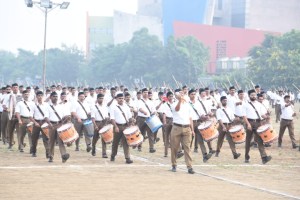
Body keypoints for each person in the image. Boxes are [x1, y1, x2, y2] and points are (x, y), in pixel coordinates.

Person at [243, 89, 272, 164]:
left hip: (258, 123)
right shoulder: (246, 104)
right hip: (249, 122)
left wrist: (266, 116)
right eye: (252, 95)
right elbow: (244, 116)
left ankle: (264, 157)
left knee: (260, 140)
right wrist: (248, 124)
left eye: (255, 95)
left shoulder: (259, 104)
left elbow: (262, 114)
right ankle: (246, 157)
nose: (254, 96)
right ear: (249, 96)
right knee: (248, 141)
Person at [170, 89, 195, 174]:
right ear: (176, 96)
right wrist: (180, 100)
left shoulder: (188, 105)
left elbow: (190, 118)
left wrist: (192, 129)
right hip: (177, 127)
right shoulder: (173, 104)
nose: (181, 94)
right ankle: (174, 164)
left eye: (182, 93)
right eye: (179, 93)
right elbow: (177, 109)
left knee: (187, 147)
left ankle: (189, 166)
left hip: (187, 128)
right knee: (174, 147)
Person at [45, 92, 71, 163]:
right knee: (51, 141)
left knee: (61, 141)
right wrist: (49, 123)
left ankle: (64, 156)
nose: (55, 98)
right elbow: (46, 117)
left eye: (56, 96)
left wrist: (67, 118)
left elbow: (64, 116)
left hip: (59, 125)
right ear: (50, 97)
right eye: (53, 96)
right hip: (52, 125)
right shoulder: (47, 106)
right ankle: (50, 156)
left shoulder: (61, 106)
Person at [110, 92, 134, 164]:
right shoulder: (113, 107)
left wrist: (132, 121)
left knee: (126, 142)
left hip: (125, 126)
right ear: (117, 99)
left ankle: (127, 158)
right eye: (120, 98)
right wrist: (116, 127)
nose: (121, 99)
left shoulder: (126, 106)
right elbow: (112, 118)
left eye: (122, 98)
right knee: (115, 142)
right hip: (118, 126)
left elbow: (129, 117)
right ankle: (113, 155)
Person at [189, 89, 212, 162]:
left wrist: (205, 117)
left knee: (200, 140)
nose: (193, 95)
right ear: (189, 95)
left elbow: (201, 113)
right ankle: (187, 154)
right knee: (189, 140)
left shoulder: (198, 103)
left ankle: (205, 155)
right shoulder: (186, 103)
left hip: (198, 122)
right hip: (190, 123)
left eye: (194, 94)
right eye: (192, 94)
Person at [30, 91, 50, 158]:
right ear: (36, 96)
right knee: (34, 138)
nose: (40, 97)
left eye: (41, 95)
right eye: (38, 95)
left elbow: (49, 114)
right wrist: (35, 123)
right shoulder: (33, 105)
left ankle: (48, 153)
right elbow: (30, 116)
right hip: (36, 122)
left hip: (44, 122)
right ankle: (34, 152)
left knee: (46, 138)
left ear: (43, 96)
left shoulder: (47, 105)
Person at [136, 88, 157, 152]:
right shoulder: (139, 101)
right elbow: (139, 109)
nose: (146, 93)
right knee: (141, 133)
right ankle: (139, 146)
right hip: (141, 118)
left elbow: (154, 110)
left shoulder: (150, 102)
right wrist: (144, 112)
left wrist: (153, 113)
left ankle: (151, 148)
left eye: (147, 92)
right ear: (142, 93)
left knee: (150, 133)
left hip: (149, 118)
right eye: (144, 92)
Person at [91, 93, 110, 157]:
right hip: (97, 122)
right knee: (95, 138)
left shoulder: (105, 106)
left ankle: (104, 153)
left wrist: (107, 122)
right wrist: (95, 125)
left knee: (104, 138)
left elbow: (107, 116)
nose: (101, 99)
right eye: (100, 98)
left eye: (102, 98)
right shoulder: (94, 107)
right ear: (97, 99)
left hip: (104, 122)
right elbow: (93, 118)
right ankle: (93, 148)